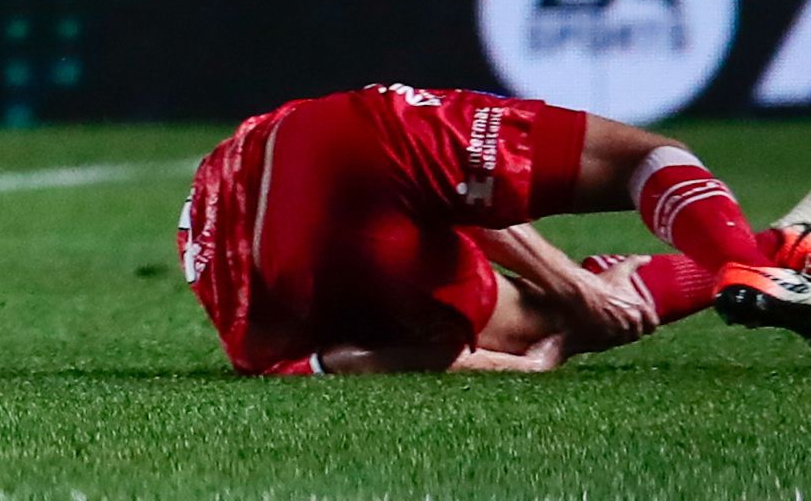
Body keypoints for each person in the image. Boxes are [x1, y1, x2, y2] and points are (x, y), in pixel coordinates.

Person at [178, 81, 811, 376]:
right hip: (342, 140)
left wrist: (531, 358)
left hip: (267, 300)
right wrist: (572, 284)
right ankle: (755, 260)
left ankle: (773, 255)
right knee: (646, 158)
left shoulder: (262, 336)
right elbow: (464, 198)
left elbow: (341, 362)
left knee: (537, 324)